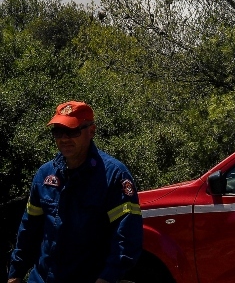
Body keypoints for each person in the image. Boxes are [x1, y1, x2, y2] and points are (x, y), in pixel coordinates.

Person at [7, 101, 142, 283]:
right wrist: (15, 273)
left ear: (91, 131)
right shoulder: (45, 174)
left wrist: (107, 278)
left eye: (72, 131)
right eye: (58, 132)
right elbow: (29, 229)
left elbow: (126, 237)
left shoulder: (114, 176)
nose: (64, 138)